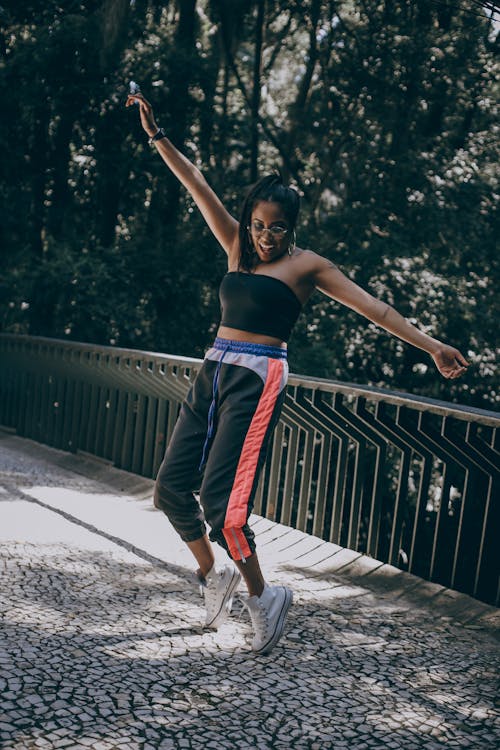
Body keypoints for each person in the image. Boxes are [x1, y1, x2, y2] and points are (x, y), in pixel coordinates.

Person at [126, 91, 469, 655]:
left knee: (224, 504)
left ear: (292, 228)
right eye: (259, 224)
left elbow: (375, 310)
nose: (265, 235)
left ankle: (263, 598)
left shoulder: (309, 267)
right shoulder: (237, 246)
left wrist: (431, 345)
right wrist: (157, 135)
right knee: (169, 490)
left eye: (277, 228)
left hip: (259, 379)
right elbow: (196, 184)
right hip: (214, 369)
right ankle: (215, 574)